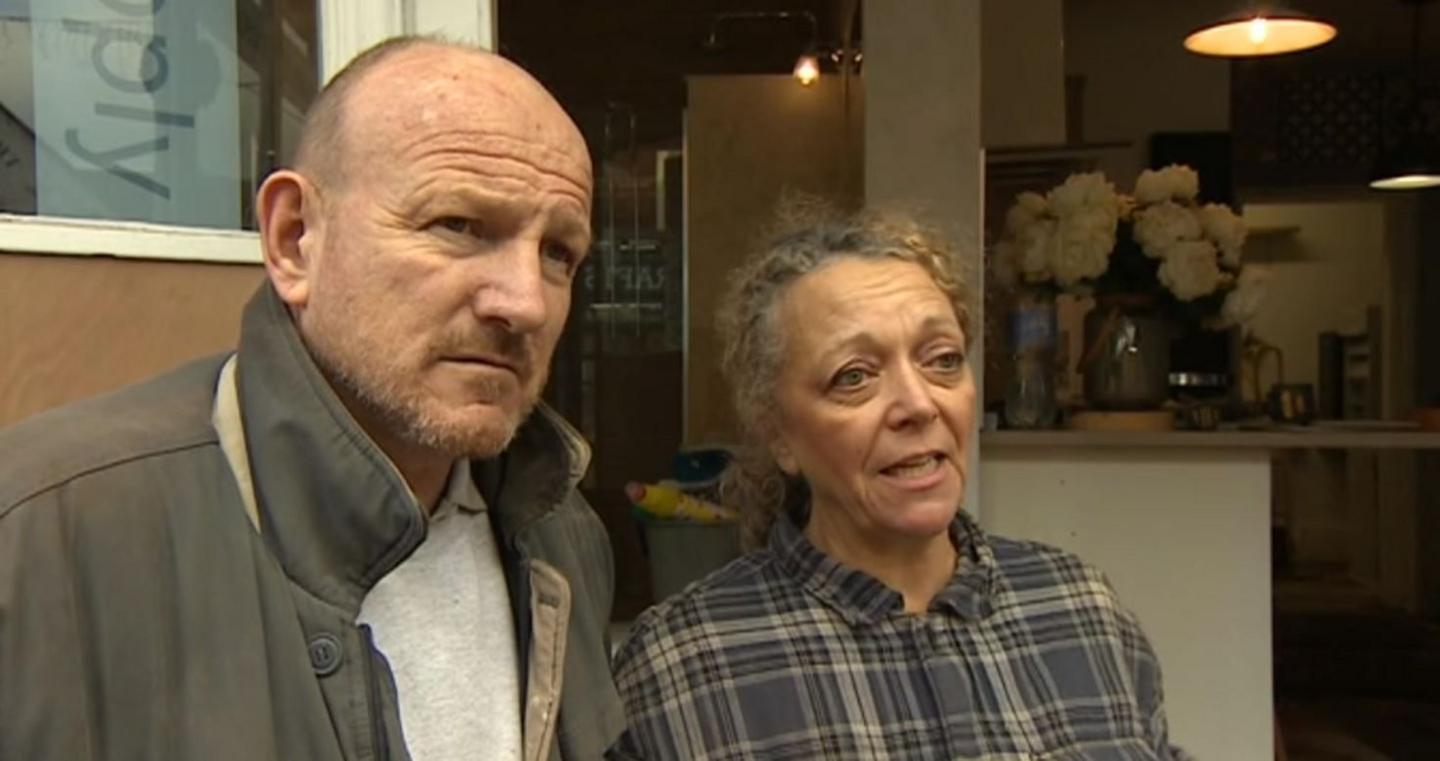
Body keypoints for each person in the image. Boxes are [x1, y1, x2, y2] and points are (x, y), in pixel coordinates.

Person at [0, 37, 623, 760]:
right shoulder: (41, 534)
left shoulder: (563, 536)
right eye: (458, 225)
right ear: (295, 238)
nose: (526, 303)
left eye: (558, 253)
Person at [610, 208, 1190, 760]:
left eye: (942, 359)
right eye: (855, 376)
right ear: (778, 432)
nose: (918, 404)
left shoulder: (1081, 609)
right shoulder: (684, 661)